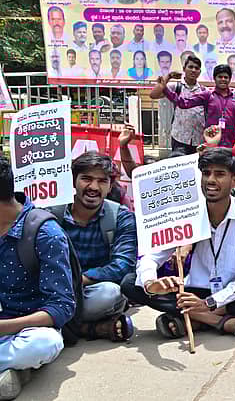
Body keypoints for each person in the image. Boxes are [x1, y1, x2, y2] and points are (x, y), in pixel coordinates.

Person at [121, 148, 235, 341]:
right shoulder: (187, 212)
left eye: (219, 174)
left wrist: (210, 303)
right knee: (131, 282)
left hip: (232, 293)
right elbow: (153, 255)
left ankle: (194, 317)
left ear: (234, 181)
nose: (210, 180)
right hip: (195, 291)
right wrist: (152, 283)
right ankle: (222, 322)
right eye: (206, 173)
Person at [0, 155, 76, 401]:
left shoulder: (45, 234)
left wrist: (3, 328)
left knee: (44, 344)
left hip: (28, 329)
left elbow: (61, 307)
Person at [48, 152, 136, 343]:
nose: (93, 187)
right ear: (73, 181)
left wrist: (77, 280)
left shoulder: (121, 217)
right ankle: (86, 328)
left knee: (111, 294)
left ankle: (61, 325)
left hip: (89, 291)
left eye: (101, 181)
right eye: (86, 179)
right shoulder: (52, 214)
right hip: (52, 290)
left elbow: (123, 265)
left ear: (110, 186)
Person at [162, 64, 235, 148]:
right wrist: (165, 89)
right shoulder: (208, 95)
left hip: (230, 144)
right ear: (214, 78)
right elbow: (184, 103)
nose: (223, 79)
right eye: (220, 77)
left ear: (230, 79)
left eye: (226, 77)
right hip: (211, 144)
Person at [150, 55, 206, 154]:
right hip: (180, 138)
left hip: (199, 139)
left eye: (196, 68)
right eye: (190, 67)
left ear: (199, 72)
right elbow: (153, 95)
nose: (193, 70)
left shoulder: (203, 90)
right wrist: (168, 76)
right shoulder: (176, 86)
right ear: (184, 69)